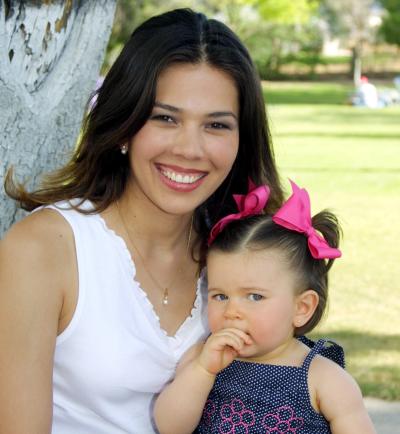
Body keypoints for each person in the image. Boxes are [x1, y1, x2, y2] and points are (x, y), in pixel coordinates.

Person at [0, 8, 284, 434]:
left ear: (241, 140)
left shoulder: (242, 247)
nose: (190, 149)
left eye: (216, 125)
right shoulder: (44, 249)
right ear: (124, 128)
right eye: (165, 118)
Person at [154, 181, 376, 434]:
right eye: (220, 296)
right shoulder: (202, 359)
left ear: (302, 307)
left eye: (255, 297)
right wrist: (203, 371)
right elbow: (170, 427)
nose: (232, 311)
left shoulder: (324, 378)